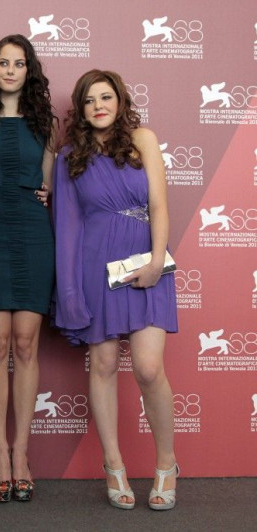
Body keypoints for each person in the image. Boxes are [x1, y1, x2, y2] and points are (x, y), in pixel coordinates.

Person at [53, 69, 178, 510]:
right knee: (103, 363)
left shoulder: (143, 138)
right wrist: (69, 291)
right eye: (89, 100)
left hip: (146, 261)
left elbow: (160, 204)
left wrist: (156, 262)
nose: (98, 105)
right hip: (94, 268)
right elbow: (66, 228)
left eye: (106, 97)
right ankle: (114, 465)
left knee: (147, 368)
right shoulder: (69, 156)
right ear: (81, 109)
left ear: (120, 101)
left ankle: (167, 465)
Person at [0, 35, 55, 503]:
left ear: (29, 71)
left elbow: (54, 183)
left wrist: (49, 192)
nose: (11, 70)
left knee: (26, 343)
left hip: (34, 232)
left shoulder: (47, 124)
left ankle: (23, 453)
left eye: (19, 63)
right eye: (3, 62)